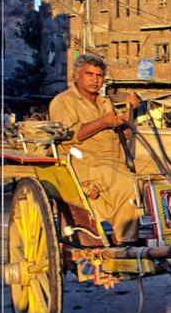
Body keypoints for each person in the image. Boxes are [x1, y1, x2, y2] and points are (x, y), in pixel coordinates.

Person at [49, 53, 141, 244]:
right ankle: (125, 241)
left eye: (99, 76)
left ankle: (128, 238)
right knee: (127, 185)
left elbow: (121, 131)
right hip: (84, 162)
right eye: (89, 74)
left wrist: (130, 113)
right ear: (76, 75)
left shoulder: (104, 101)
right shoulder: (63, 101)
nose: (95, 80)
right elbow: (70, 134)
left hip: (114, 161)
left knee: (149, 176)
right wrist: (104, 122)